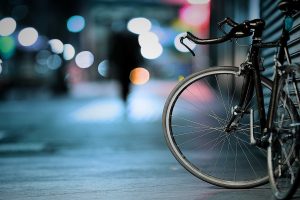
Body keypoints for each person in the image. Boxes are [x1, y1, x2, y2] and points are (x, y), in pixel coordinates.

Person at [107, 24, 143, 105]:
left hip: (121, 63)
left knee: (123, 81)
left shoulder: (117, 39)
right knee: (127, 81)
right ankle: (125, 96)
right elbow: (137, 51)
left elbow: (112, 51)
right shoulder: (132, 38)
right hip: (128, 63)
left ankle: (124, 96)